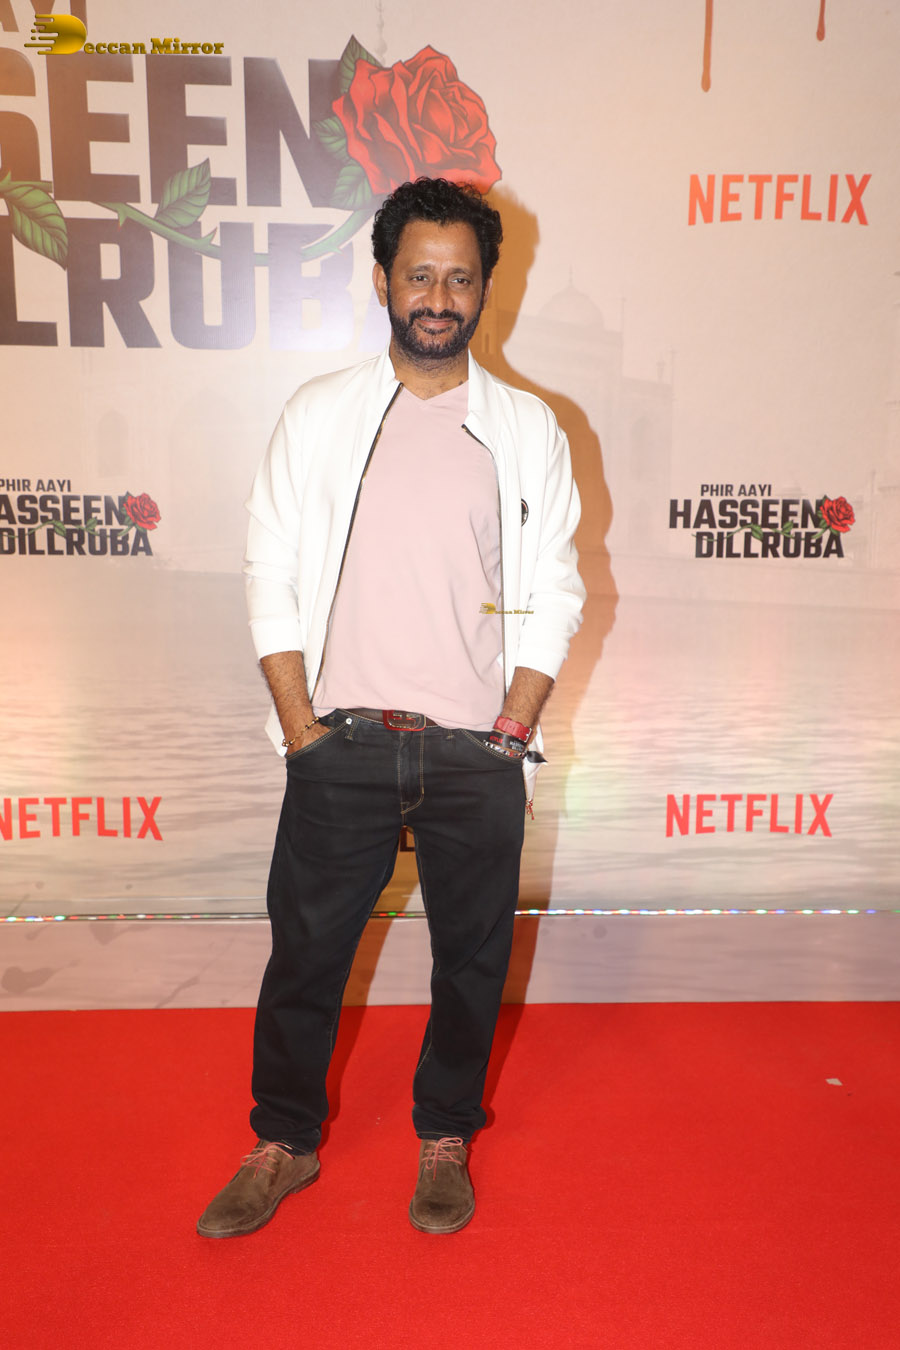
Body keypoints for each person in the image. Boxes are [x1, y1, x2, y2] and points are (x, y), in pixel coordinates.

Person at [197, 177, 585, 1239]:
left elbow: (553, 589)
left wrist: (511, 732)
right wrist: (301, 732)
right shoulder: (319, 414)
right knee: (305, 958)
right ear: (382, 281)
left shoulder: (527, 428)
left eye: (459, 278)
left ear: (486, 290)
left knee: (472, 964)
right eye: (419, 275)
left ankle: (445, 1136)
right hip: (343, 742)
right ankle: (284, 1142)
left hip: (476, 750)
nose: (438, 297)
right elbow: (270, 571)